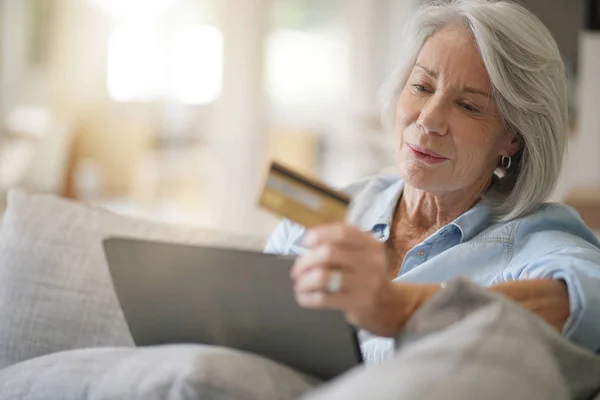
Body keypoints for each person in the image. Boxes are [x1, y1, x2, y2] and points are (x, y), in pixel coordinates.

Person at [265, 0, 600, 361]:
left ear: (513, 138)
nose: (429, 120)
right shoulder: (323, 212)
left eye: (469, 106)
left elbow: (588, 300)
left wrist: (399, 307)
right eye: (422, 87)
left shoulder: (530, 239)